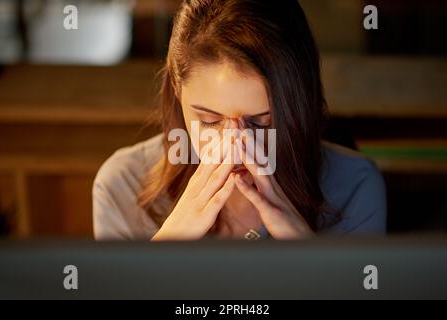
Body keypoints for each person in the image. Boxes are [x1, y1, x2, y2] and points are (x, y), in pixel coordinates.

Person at [92, 0, 387, 241]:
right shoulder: (123, 185)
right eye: (209, 120)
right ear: (178, 93)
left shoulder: (354, 186)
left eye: (261, 122)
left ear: (299, 108)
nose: (235, 146)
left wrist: (306, 257)